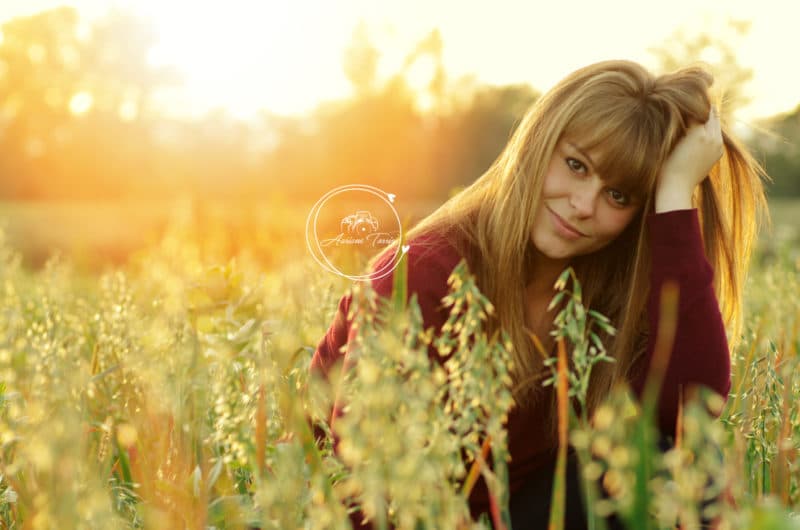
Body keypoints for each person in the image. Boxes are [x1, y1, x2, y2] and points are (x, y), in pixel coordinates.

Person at [310, 60, 768, 528]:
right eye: (576, 165)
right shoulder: (421, 272)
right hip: (386, 514)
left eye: (619, 196)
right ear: (538, 144)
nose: (583, 205)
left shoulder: (610, 286)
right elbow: (369, 474)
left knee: (673, 463)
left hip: (519, 508)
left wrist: (673, 196)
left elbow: (691, 408)